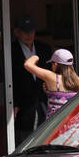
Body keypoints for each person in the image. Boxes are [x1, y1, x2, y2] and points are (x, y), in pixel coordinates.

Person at [10, 15, 51, 143]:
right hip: (22, 107)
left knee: (45, 137)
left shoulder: (44, 49)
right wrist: (14, 103)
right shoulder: (10, 51)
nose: (29, 34)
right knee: (25, 140)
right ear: (16, 32)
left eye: (31, 30)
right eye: (24, 31)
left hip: (44, 103)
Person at [25, 47, 79, 116]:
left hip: (57, 124)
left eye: (52, 63)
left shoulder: (52, 77)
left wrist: (35, 56)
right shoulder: (76, 79)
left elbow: (28, 64)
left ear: (55, 64)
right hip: (73, 122)